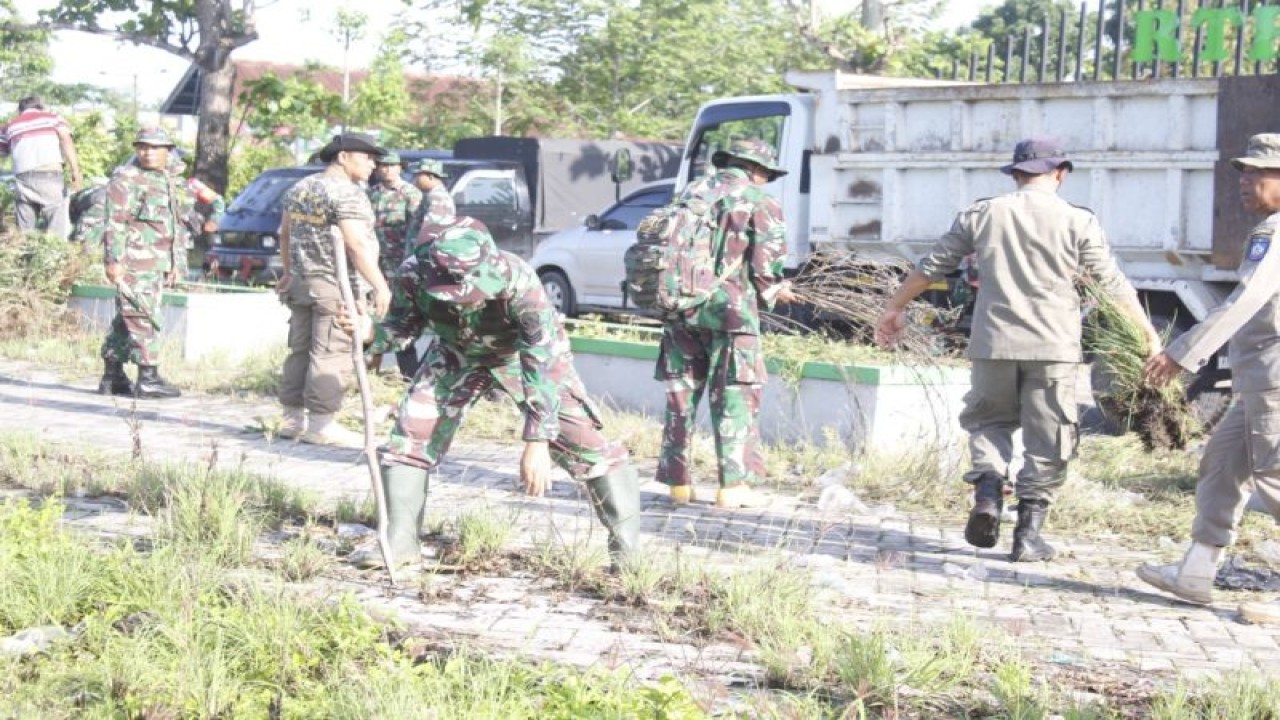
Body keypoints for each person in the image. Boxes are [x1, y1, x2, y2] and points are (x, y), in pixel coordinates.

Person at [875, 136, 1161, 562]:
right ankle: (1028, 535)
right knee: (1050, 437)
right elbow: (1110, 282)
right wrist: (1148, 334)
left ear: (1015, 174)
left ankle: (988, 495)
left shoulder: (983, 213)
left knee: (989, 422)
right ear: (1060, 172)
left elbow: (932, 266)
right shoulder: (1078, 221)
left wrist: (894, 307)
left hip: (992, 343)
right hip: (1053, 348)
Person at [349, 217, 641, 571]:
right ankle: (399, 544)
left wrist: (536, 443)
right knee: (411, 433)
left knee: (588, 446)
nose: (459, 301)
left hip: (520, 357)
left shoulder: (520, 283)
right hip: (457, 355)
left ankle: (628, 559)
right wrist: (369, 334)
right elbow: (401, 328)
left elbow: (543, 363)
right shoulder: (416, 273)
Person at [1136, 133, 1280, 621]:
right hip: (1259, 378)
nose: (1245, 180)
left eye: (1258, 171)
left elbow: (1246, 301)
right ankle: (1196, 572)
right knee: (1221, 467)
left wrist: (1182, 354)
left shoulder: (1275, 233)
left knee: (1275, 479)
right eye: (1243, 170)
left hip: (1275, 379)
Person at [654, 138, 797, 509]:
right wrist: (777, 288)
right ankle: (733, 487)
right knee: (736, 394)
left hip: (681, 306)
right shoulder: (758, 200)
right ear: (757, 170)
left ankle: (677, 484)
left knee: (680, 398)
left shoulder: (691, 193)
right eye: (767, 174)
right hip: (731, 312)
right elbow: (767, 265)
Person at [275, 132, 392, 446]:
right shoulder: (348, 193)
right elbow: (355, 243)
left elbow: (284, 234)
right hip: (336, 286)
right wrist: (381, 285)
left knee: (300, 351)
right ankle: (321, 425)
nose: (373, 164)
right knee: (330, 353)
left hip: (301, 282)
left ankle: (292, 419)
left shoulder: (299, 187)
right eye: (366, 157)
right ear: (343, 157)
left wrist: (287, 272)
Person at [98, 128, 192, 400]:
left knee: (127, 317)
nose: (147, 152)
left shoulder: (167, 178)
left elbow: (172, 223)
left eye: (155, 147)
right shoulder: (126, 178)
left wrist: (175, 263)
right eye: (142, 147)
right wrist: (114, 261)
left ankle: (113, 375)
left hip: (156, 261)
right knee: (143, 316)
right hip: (133, 261)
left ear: (168, 150)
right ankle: (148, 377)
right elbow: (115, 223)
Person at [368, 152, 424, 378]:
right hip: (375, 266)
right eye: (383, 166)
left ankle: (409, 374)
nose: (387, 170)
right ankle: (371, 372)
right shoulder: (370, 195)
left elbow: (418, 231)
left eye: (392, 166)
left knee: (402, 320)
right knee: (375, 317)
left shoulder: (411, 194)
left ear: (400, 168)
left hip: (402, 266)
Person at [0, 96, 83, 238]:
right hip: (49, 175)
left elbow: (2, 152)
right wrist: (75, 170)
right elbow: (65, 139)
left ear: (20, 111)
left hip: (22, 179)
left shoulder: (10, 125)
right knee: (56, 228)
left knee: (26, 233)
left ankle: (25, 257)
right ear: (41, 107)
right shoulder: (53, 118)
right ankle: (55, 256)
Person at [404, 159, 454, 250]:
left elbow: (430, 233)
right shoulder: (430, 196)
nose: (415, 179)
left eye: (419, 175)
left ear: (430, 176)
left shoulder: (438, 198)